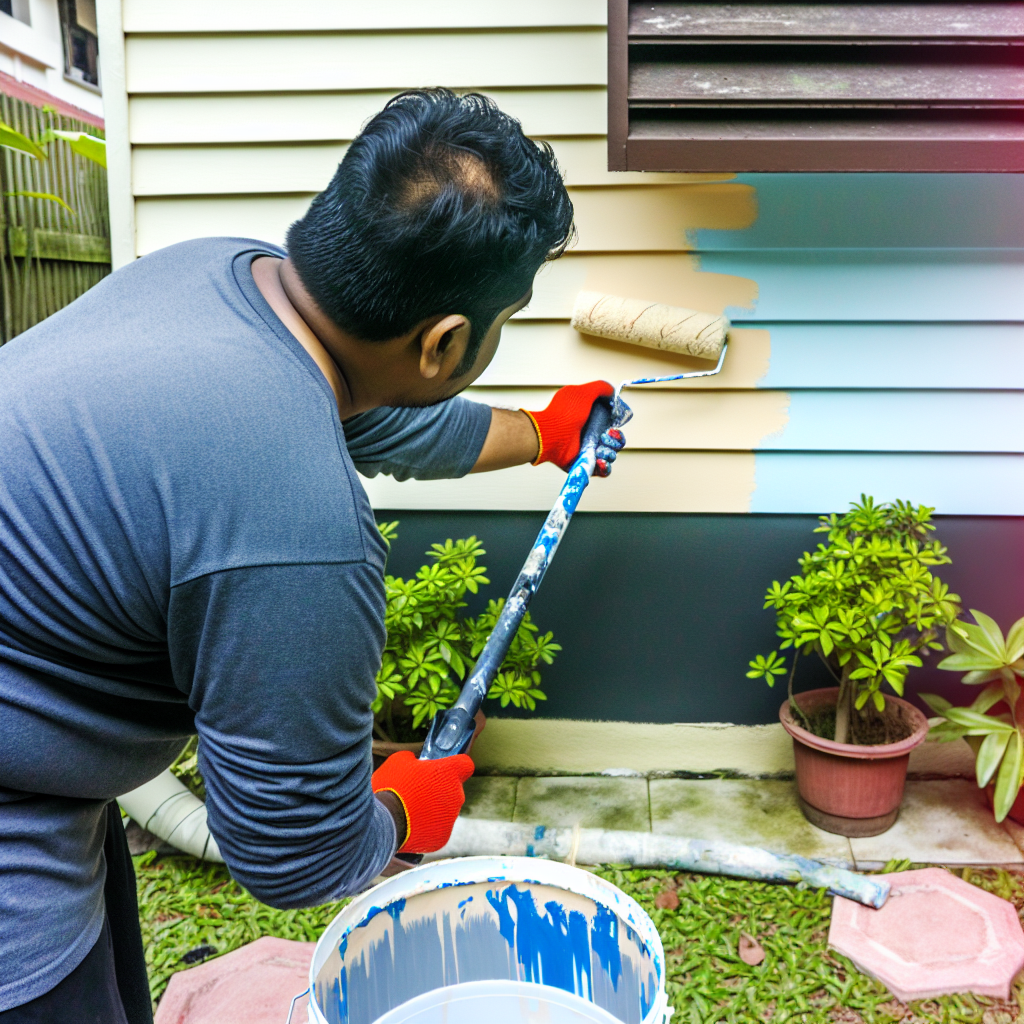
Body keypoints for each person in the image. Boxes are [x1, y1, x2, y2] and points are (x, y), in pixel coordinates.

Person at [0, 89, 625, 1022]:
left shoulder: (216, 275)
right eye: (504, 323)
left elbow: (363, 414)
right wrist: (405, 811)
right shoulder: (299, 542)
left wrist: (539, 432)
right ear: (447, 341)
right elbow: (293, 856)